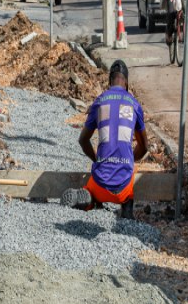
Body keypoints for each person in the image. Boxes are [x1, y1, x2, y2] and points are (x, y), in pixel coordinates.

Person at [61, 60, 149, 219]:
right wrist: (128, 159)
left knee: (92, 187)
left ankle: (90, 200)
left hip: (99, 185)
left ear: (109, 81)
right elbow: (144, 147)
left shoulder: (100, 101)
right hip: (123, 188)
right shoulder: (135, 105)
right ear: (126, 82)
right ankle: (127, 212)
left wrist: (98, 159)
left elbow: (83, 140)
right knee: (129, 184)